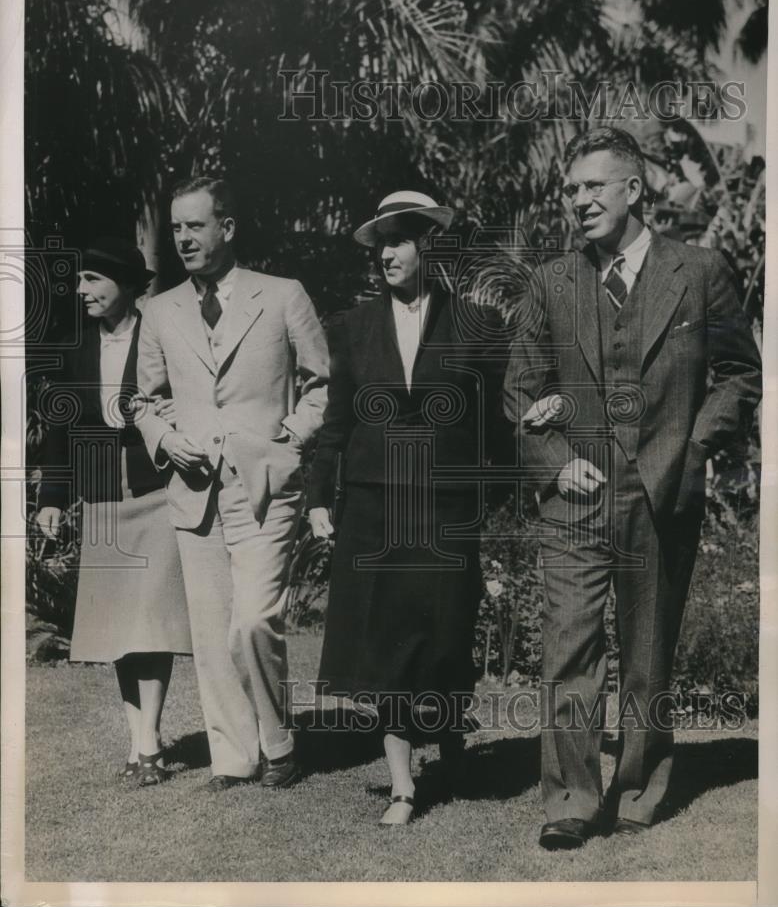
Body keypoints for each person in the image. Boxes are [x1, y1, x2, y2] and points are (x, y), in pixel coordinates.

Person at [503, 127, 762, 849]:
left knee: (649, 652)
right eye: (571, 189)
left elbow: (741, 373)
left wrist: (693, 447)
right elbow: (520, 389)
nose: (578, 200)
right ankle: (571, 798)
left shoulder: (700, 270)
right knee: (569, 647)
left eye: (593, 186)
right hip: (574, 497)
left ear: (633, 190)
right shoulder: (550, 281)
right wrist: (555, 460)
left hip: (661, 491)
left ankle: (641, 788)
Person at [308, 190, 506, 826]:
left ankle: (450, 750)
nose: (387, 254)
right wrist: (318, 497)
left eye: (399, 240)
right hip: (374, 508)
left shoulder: (474, 324)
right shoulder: (352, 328)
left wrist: (484, 498)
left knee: (445, 641)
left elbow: (495, 428)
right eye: (380, 243)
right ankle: (402, 786)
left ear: (430, 245)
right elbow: (335, 424)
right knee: (386, 649)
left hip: (446, 511)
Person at [135, 176, 328, 792]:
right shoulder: (160, 309)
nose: (184, 238)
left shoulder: (282, 295)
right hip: (194, 493)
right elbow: (145, 400)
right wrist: (168, 440)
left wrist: (289, 440)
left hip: (265, 486)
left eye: (195, 226)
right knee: (212, 631)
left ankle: (278, 742)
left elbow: (321, 383)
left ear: (228, 228)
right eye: (177, 228)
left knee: (252, 619)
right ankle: (234, 758)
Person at [36, 237, 192, 787]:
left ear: (128, 286)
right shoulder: (75, 345)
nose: (82, 291)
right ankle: (140, 743)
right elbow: (59, 429)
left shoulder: (163, 337)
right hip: (102, 498)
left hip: (158, 492)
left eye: (95, 281)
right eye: (80, 281)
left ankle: (148, 739)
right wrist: (52, 500)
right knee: (118, 627)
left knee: (152, 621)